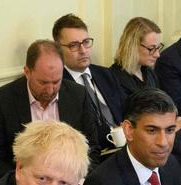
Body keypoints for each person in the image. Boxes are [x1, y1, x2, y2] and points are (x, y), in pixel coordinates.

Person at [0, 39, 101, 185]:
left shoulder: (78, 95)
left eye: (56, 81)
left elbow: (92, 149)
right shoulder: (0, 101)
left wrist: (76, 182)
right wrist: (28, 184)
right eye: (43, 83)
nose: (50, 90)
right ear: (27, 72)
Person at [52, 13, 126, 151]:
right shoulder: (58, 86)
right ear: (58, 49)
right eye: (74, 45)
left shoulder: (106, 74)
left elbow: (127, 108)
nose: (83, 50)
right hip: (92, 155)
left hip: (125, 147)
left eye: (86, 42)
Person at [110, 17, 162, 96]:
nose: (158, 55)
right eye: (151, 48)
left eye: (158, 47)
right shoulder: (114, 78)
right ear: (132, 47)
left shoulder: (150, 73)